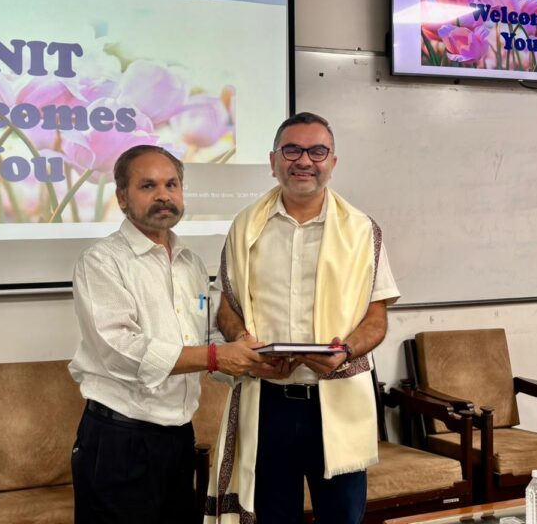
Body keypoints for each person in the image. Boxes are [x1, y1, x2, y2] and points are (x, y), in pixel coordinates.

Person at [204, 113, 400, 524]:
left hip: (336, 402)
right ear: (273, 161)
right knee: (273, 518)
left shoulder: (362, 230)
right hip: (268, 403)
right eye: (292, 150)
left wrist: (345, 351)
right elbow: (227, 306)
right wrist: (244, 344)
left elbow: (376, 317)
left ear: (333, 162)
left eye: (317, 151)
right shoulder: (245, 227)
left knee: (342, 518)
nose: (304, 161)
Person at [69, 144, 265, 524]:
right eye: (148, 186)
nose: (163, 195)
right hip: (119, 440)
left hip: (178, 439)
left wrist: (253, 360)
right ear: (122, 198)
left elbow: (206, 337)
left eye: (171, 184)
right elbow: (120, 351)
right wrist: (216, 357)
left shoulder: (191, 264)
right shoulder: (101, 261)